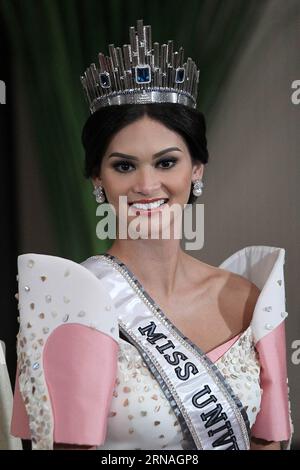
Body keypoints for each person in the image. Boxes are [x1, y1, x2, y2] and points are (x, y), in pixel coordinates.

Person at [10, 19, 292, 451]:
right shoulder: (77, 301)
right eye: (124, 165)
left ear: (196, 170)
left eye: (166, 163)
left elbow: (269, 441)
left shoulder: (248, 299)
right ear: (97, 179)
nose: (146, 185)